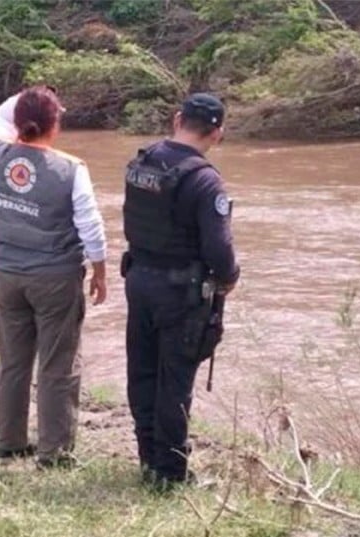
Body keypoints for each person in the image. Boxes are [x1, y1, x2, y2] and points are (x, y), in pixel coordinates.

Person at [0, 86, 108, 469]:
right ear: (55, 124)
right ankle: (54, 453)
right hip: (55, 277)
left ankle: (10, 443)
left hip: (7, 273)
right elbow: (90, 225)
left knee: (13, 361)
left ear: (18, 122)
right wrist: (100, 269)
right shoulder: (70, 169)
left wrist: (28, 96)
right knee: (58, 364)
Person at [121, 93, 240, 489]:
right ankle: (170, 474)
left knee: (142, 373)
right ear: (218, 133)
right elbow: (220, 253)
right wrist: (230, 277)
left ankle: (147, 460)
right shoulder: (205, 181)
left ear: (177, 119)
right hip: (181, 293)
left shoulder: (142, 162)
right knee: (174, 383)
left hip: (138, 281)